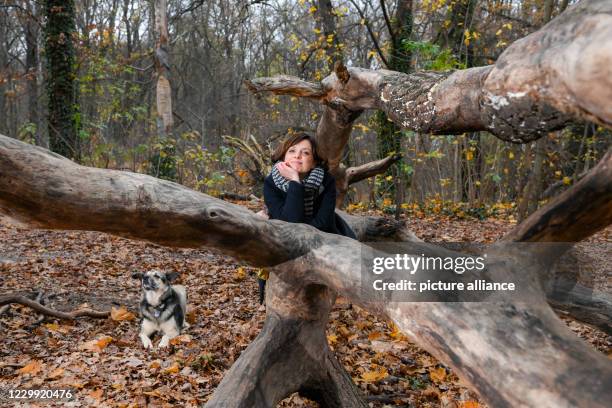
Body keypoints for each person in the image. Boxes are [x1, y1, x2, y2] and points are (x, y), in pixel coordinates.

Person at [256, 132, 356, 308]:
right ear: (283, 156)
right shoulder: (271, 183)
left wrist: (294, 181)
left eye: (305, 153)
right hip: (285, 241)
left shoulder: (326, 181)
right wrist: (295, 182)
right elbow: (290, 224)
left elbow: (323, 224)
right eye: (292, 151)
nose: (297, 156)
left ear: (315, 161)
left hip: (324, 238)